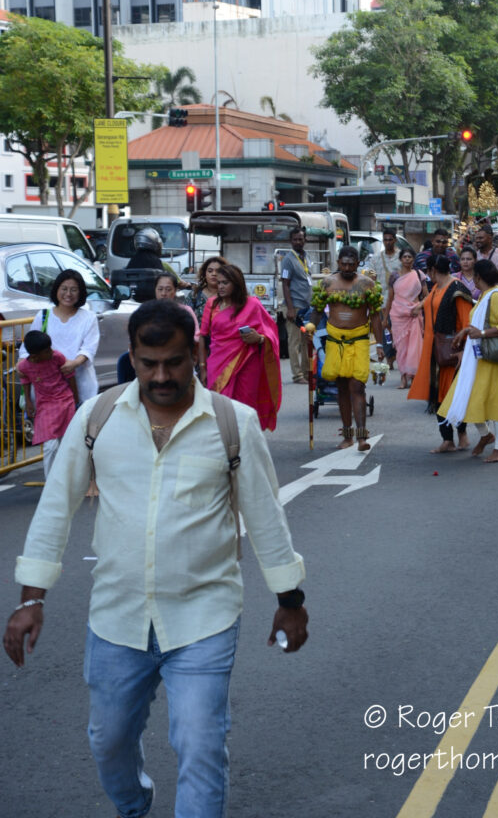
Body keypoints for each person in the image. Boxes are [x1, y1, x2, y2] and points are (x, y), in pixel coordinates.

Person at [3, 299, 307, 818]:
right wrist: (31, 599)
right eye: (148, 363)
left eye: (174, 362)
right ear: (132, 355)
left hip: (204, 619)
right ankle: (134, 804)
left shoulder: (233, 423)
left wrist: (290, 600)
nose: (161, 376)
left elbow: (265, 516)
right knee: (108, 742)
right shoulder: (97, 418)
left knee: (201, 748)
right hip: (116, 619)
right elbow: (56, 507)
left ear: (195, 353)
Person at [439, 259, 498, 464]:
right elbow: (480, 323)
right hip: (480, 358)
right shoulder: (485, 295)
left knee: (496, 402)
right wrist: (467, 331)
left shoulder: (497, 296)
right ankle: (486, 435)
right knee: (467, 397)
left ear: (478, 277)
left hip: (494, 358)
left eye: (474, 275)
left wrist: (481, 333)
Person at [309, 245, 384, 451]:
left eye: (352, 264)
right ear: (338, 263)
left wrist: (380, 344)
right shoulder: (328, 283)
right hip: (335, 341)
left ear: (358, 263)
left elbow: (375, 316)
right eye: (344, 264)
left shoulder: (367, 284)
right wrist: (310, 327)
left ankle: (362, 437)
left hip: (359, 340)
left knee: (357, 387)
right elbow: (317, 310)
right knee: (341, 387)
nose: (348, 268)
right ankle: (347, 436)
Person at [198, 264, 281, 431]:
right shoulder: (212, 304)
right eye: (219, 283)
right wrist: (202, 367)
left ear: (236, 284)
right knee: (219, 404)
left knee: (245, 404)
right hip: (217, 362)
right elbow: (202, 336)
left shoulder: (252, 304)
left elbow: (270, 332)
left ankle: (245, 438)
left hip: (247, 362)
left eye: (225, 283)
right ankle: (224, 439)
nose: (220, 287)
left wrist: (259, 339)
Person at [408, 255, 472, 453]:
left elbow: (466, 323)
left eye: (428, 271)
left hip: (452, 352)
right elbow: (428, 304)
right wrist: (418, 306)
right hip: (435, 350)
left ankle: (462, 434)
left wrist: (461, 350)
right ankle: (447, 439)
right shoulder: (436, 287)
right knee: (437, 395)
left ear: (433, 270)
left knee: (454, 395)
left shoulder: (457, 289)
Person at [19, 269, 99, 405]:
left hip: (81, 384)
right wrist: (21, 364)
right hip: (47, 388)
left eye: (74, 290)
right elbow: (27, 347)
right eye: (64, 289)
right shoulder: (43, 316)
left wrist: (74, 363)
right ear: (56, 290)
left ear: (80, 293)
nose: (68, 294)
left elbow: (88, 349)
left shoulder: (89, 318)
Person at [17, 331, 77, 479]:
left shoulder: (57, 357)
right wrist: (29, 402)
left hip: (65, 401)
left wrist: (75, 399)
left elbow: (70, 377)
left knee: (66, 442)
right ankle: (51, 482)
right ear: (35, 356)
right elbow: (25, 381)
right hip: (45, 405)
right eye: (46, 351)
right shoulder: (24, 366)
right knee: (50, 446)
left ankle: (68, 478)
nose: (51, 352)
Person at [384, 247, 427, 389]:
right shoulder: (394, 276)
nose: (407, 259)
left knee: (414, 347)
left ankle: (413, 376)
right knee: (401, 347)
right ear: (400, 259)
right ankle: (403, 377)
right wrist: (385, 318)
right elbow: (390, 298)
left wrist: (419, 306)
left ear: (413, 259)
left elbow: (427, 296)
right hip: (398, 315)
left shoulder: (419, 275)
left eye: (410, 257)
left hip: (414, 314)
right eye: (405, 257)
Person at [281, 226, 313, 386]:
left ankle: (307, 373)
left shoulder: (306, 257)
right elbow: (285, 284)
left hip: (306, 307)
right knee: (294, 343)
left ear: (305, 240)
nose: (298, 242)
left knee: (306, 341)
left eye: (300, 239)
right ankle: (297, 375)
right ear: (290, 241)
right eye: (295, 239)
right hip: (294, 307)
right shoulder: (288, 259)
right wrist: (290, 308)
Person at [370, 228, 402, 369]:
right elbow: (371, 278)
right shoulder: (376, 258)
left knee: (398, 330)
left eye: (390, 239)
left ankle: (398, 355)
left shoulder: (402, 257)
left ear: (395, 240)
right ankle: (389, 358)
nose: (388, 242)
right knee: (386, 330)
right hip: (382, 301)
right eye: (385, 240)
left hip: (399, 302)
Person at [155, 272, 200, 341]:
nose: (163, 293)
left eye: (168, 289)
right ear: (155, 289)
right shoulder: (148, 311)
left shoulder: (185, 311)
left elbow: (196, 336)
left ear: (175, 290)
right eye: (160, 289)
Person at [187, 255, 230, 326]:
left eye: (218, 271)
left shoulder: (229, 295)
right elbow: (184, 319)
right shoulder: (195, 294)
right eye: (210, 271)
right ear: (205, 273)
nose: (214, 274)